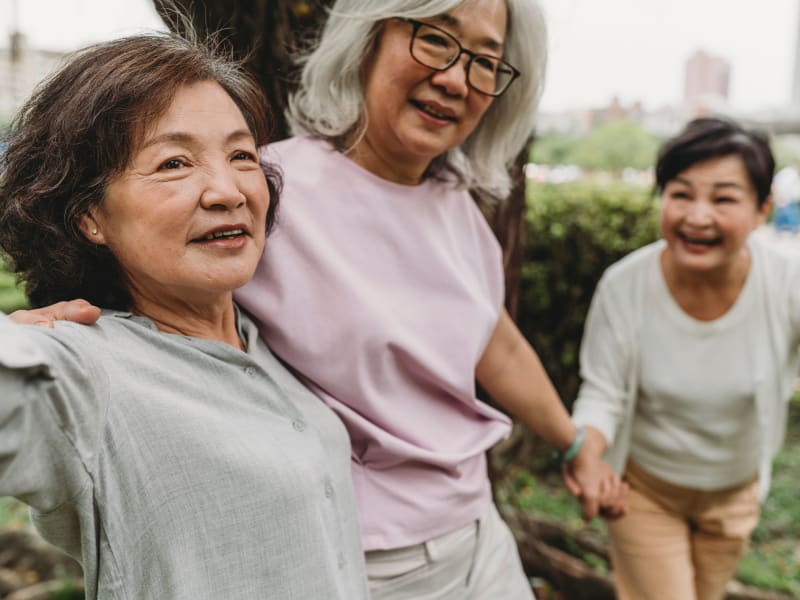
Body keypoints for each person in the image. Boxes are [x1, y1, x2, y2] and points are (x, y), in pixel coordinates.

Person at [13, 1, 627, 598]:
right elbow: (146, 286)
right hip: (363, 553)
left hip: (475, 530)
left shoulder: (457, 208)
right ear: (368, 38)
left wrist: (574, 444)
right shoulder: (275, 191)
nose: (455, 76)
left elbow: (495, 341)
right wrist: (44, 338)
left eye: (486, 60)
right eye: (435, 38)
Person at [0, 33, 369, 600]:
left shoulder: (269, 340)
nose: (228, 190)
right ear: (89, 216)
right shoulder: (81, 371)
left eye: (242, 155)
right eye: (173, 162)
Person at [571, 117, 799, 600]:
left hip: (736, 494)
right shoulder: (624, 285)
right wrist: (587, 454)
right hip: (644, 492)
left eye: (723, 198)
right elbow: (603, 393)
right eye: (681, 194)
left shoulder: (786, 284)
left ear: (761, 210)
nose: (697, 216)